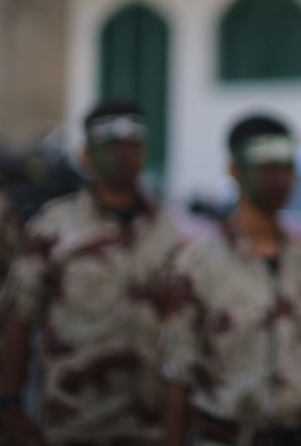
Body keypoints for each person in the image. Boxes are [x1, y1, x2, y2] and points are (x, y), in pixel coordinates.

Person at [0, 98, 180, 445]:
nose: (123, 154)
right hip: (76, 422)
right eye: (111, 145)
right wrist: (10, 402)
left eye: (133, 144)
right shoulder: (53, 227)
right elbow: (18, 317)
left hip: (149, 426)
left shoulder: (168, 230)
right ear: (86, 154)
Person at [160, 113, 301, 446]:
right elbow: (178, 377)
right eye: (266, 168)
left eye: (287, 167)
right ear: (235, 170)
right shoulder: (198, 264)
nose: (279, 179)